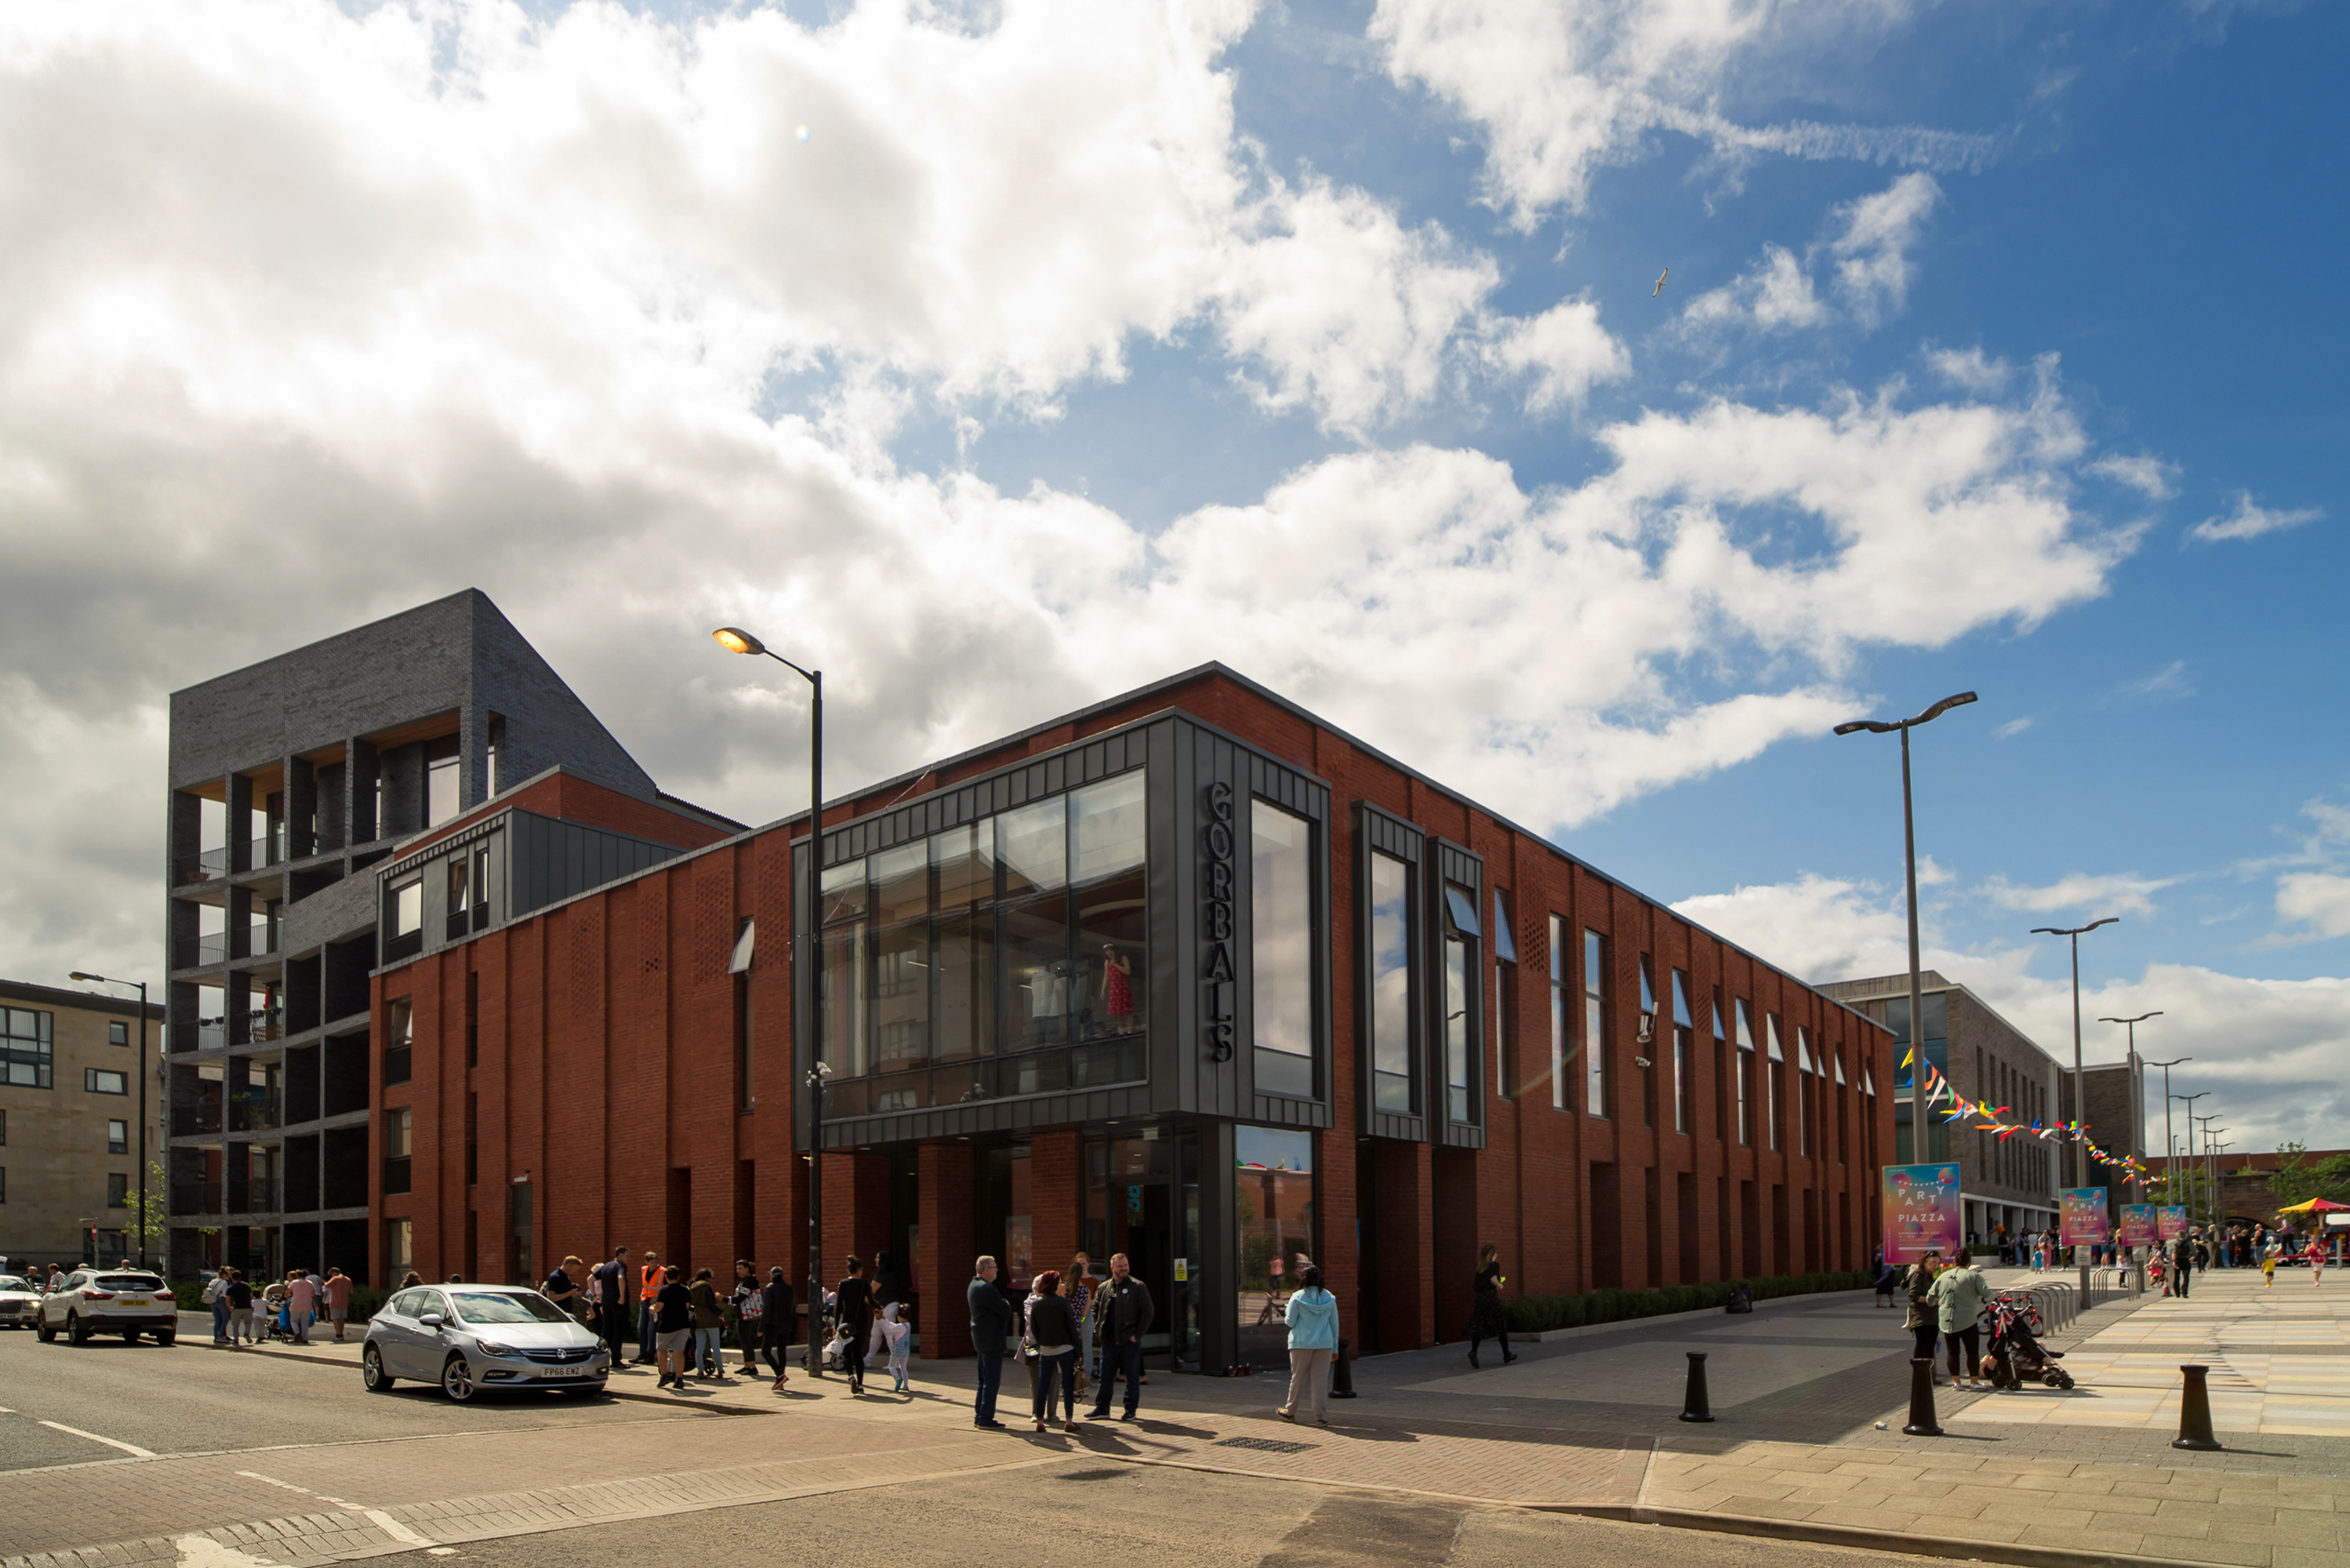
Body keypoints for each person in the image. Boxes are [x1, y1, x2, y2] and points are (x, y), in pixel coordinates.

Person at [1088, 1251, 1154, 1423]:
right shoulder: (1104, 1288)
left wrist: (1137, 1335)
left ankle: (1130, 1410)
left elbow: (1148, 1312)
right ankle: (1102, 1408)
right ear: (1112, 1268)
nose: (1124, 1269)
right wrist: (1097, 1329)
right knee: (1105, 1376)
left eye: (1126, 1265)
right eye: (1120, 1266)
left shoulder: (1138, 1287)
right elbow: (1095, 1309)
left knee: (1132, 1377)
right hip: (1109, 1341)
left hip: (1129, 1341)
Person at [1277, 1265, 1339, 1427]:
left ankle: (1290, 1412)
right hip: (1324, 1344)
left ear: (1303, 1280)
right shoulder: (1330, 1298)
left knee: (1297, 1378)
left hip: (1301, 1343)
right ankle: (1320, 1417)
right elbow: (1334, 1325)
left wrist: (1286, 1314)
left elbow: (1290, 1322)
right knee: (1320, 1380)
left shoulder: (1297, 1297)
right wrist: (1335, 1348)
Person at [1930, 1247, 1991, 1392]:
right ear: (1969, 1264)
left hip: (1947, 1320)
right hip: (1968, 1320)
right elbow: (1985, 1293)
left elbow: (1930, 1296)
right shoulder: (1974, 1276)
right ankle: (1974, 1382)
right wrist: (1998, 1295)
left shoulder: (1943, 1277)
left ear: (1954, 1262)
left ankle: (1956, 1383)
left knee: (1952, 1351)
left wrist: (1936, 1303)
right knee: (1972, 1351)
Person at [1024, 1271, 1079, 1432]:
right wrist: (1079, 1352)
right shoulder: (1063, 1303)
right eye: (1061, 1282)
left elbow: (1034, 1328)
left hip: (1046, 1350)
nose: (1063, 1285)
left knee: (1042, 1385)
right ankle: (1069, 1421)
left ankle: (1040, 1422)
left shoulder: (1037, 1303)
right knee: (1067, 1386)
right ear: (1054, 1285)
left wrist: (1043, 1343)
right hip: (1065, 1348)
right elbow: (1072, 1328)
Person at [970, 1255, 1015, 1428]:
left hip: (982, 1340)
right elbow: (1005, 1310)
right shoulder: (986, 1288)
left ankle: (980, 1414)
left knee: (983, 1380)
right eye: (995, 1267)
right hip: (991, 1340)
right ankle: (986, 1417)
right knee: (991, 1380)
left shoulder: (973, 1285)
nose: (997, 1270)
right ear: (987, 1269)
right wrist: (1006, 1304)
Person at [1466, 1243, 1515, 1369]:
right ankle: (1506, 1354)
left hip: (1481, 1300)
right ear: (1493, 1254)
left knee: (1479, 1325)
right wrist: (1500, 1285)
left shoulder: (1480, 1269)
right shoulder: (1494, 1266)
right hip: (1491, 1299)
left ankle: (1474, 1352)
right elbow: (1494, 1279)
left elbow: (1475, 1287)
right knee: (1501, 1326)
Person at [835, 1256, 875, 1396]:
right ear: (859, 1270)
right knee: (858, 1352)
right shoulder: (865, 1285)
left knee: (847, 1352)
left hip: (847, 1322)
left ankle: (851, 1377)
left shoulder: (843, 1284)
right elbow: (872, 1301)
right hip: (861, 1322)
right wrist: (880, 1308)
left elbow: (839, 1306)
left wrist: (836, 1325)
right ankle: (860, 1384)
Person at [1903, 1250, 1943, 1382]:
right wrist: (1931, 1300)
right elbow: (1913, 1296)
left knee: (1930, 1347)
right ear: (1925, 1261)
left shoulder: (1931, 1277)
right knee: (1922, 1346)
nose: (1935, 1266)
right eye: (1933, 1263)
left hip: (1932, 1317)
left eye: (1937, 1263)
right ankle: (1920, 1376)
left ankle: (1929, 1376)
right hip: (1921, 1317)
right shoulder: (1918, 1276)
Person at [652, 1265, 694, 1390]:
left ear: (666, 1277)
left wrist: (652, 1310)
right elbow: (687, 1306)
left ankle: (664, 1376)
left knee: (661, 1349)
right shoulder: (685, 1290)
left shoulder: (664, 1290)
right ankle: (679, 1378)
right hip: (683, 1324)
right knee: (679, 1351)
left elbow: (659, 1306)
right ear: (679, 1276)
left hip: (666, 1325)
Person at [594, 1247, 634, 1367]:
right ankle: (616, 1359)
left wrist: (594, 1296)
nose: (628, 1258)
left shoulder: (605, 1266)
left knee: (606, 1330)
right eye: (627, 1256)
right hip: (618, 1304)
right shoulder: (620, 1266)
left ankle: (601, 1357)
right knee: (618, 1331)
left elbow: (590, 1278)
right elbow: (621, 1278)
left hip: (606, 1302)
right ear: (620, 1255)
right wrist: (622, 1297)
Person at [760, 1266, 796, 1390]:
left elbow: (767, 1309)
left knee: (765, 1351)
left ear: (772, 1275)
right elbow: (790, 1306)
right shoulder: (788, 1288)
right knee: (782, 1352)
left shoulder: (770, 1288)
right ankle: (780, 1381)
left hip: (773, 1325)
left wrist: (761, 1327)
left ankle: (780, 1375)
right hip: (786, 1324)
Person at [688, 1268, 728, 1379]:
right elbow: (712, 1305)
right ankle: (720, 1370)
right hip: (711, 1321)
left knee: (699, 1348)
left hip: (699, 1320)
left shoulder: (692, 1288)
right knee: (715, 1347)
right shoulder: (706, 1287)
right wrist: (720, 1312)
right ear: (706, 1278)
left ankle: (700, 1371)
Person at [1066, 1254, 1095, 1398]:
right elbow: (1085, 1312)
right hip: (1078, 1323)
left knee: (1066, 1354)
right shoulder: (1086, 1291)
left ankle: (1066, 1385)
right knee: (1080, 1353)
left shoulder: (1064, 1289)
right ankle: (1081, 1382)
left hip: (1065, 1324)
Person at [732, 1260, 763, 1374]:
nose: (738, 1271)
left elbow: (741, 1297)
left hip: (747, 1314)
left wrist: (725, 1299)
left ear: (747, 1269)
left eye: (740, 1268)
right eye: (737, 1268)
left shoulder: (749, 1282)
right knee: (742, 1339)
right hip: (742, 1315)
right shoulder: (744, 1281)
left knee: (746, 1340)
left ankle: (752, 1367)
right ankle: (747, 1365)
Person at [637, 1250, 664, 1364]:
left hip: (655, 1303)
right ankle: (642, 1354)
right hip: (644, 1301)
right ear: (647, 1262)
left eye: (656, 1262)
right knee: (641, 1328)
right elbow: (645, 1285)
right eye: (652, 1262)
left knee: (651, 1329)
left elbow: (665, 1288)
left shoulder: (663, 1271)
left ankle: (650, 1355)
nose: (655, 1264)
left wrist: (657, 1297)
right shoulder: (644, 1269)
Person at [880, 1301, 913, 1394]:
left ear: (900, 1316)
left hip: (898, 1348)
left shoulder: (900, 1327)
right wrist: (884, 1319)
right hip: (906, 1350)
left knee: (891, 1366)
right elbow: (893, 1326)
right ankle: (905, 1385)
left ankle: (897, 1379)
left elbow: (888, 1329)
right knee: (903, 1367)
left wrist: (880, 1320)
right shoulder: (907, 1325)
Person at [543, 1255, 585, 1323]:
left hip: (566, 1314)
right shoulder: (555, 1277)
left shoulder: (565, 1277)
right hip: (557, 1315)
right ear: (568, 1266)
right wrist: (569, 1293)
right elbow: (551, 1297)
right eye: (575, 1269)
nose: (575, 1272)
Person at [285, 1268, 318, 1345]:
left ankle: (297, 1333)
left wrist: (288, 1295)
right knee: (305, 1322)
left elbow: (287, 1293)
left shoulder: (294, 1283)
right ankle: (305, 1338)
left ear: (297, 1276)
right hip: (307, 1304)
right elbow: (313, 1294)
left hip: (296, 1303)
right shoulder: (310, 1283)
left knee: (294, 1320)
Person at [226, 1269, 256, 1345]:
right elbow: (251, 1296)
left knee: (235, 1324)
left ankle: (236, 1339)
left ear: (232, 1278)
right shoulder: (246, 1285)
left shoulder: (231, 1287)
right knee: (248, 1322)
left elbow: (227, 1300)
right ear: (240, 1277)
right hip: (247, 1307)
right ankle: (246, 1333)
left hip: (237, 1307)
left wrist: (230, 1308)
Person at [324, 1266, 354, 1341]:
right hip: (344, 1302)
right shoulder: (348, 1279)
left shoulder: (335, 1279)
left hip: (335, 1302)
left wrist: (325, 1282)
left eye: (331, 1274)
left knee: (335, 1318)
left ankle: (338, 1334)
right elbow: (351, 1291)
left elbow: (327, 1285)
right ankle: (341, 1334)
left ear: (333, 1273)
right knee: (341, 1319)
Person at [203, 1270, 231, 1344]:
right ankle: (220, 1336)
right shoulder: (224, 1282)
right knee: (225, 1319)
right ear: (224, 1275)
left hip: (212, 1301)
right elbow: (225, 1294)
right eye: (227, 1274)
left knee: (217, 1320)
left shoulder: (212, 1281)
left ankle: (216, 1337)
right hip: (221, 1300)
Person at [2173, 1233, 2196, 1299]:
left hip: (2177, 1260)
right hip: (2186, 1260)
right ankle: (2184, 1292)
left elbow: (2174, 1252)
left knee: (2176, 1277)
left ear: (2177, 1236)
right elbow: (2194, 1252)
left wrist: (2174, 1261)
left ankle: (2177, 1293)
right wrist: (2192, 1257)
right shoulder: (2189, 1242)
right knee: (2186, 1277)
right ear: (2185, 1236)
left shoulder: (2175, 1242)